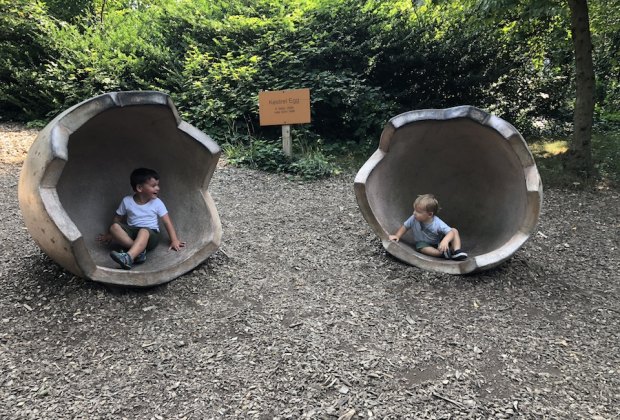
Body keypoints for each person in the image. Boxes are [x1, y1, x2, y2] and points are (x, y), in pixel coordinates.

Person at [98, 167, 185, 270]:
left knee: (143, 231)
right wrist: (110, 235)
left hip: (151, 235)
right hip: (132, 234)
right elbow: (118, 218)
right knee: (114, 227)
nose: (158, 188)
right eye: (153, 186)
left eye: (157, 185)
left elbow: (167, 222)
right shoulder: (127, 201)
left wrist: (174, 240)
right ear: (139, 188)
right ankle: (139, 253)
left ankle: (128, 257)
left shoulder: (157, 203)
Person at [389, 194, 467, 260]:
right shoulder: (413, 218)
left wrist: (445, 241)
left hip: (438, 242)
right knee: (421, 248)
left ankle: (456, 251)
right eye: (414, 210)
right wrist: (397, 236)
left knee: (454, 230)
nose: (414, 213)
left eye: (418, 212)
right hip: (423, 243)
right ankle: (441, 254)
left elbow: (450, 233)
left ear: (430, 214)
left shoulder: (437, 223)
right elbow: (405, 227)